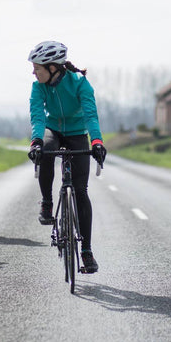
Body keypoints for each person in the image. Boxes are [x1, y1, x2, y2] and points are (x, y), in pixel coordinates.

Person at [27, 40, 107, 273]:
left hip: (76, 132)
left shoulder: (80, 83)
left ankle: (87, 251)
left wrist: (97, 141)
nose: (34, 72)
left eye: (37, 68)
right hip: (53, 129)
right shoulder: (38, 86)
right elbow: (37, 116)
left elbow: (91, 115)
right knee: (45, 150)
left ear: (52, 67)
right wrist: (36, 141)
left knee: (81, 191)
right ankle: (47, 203)